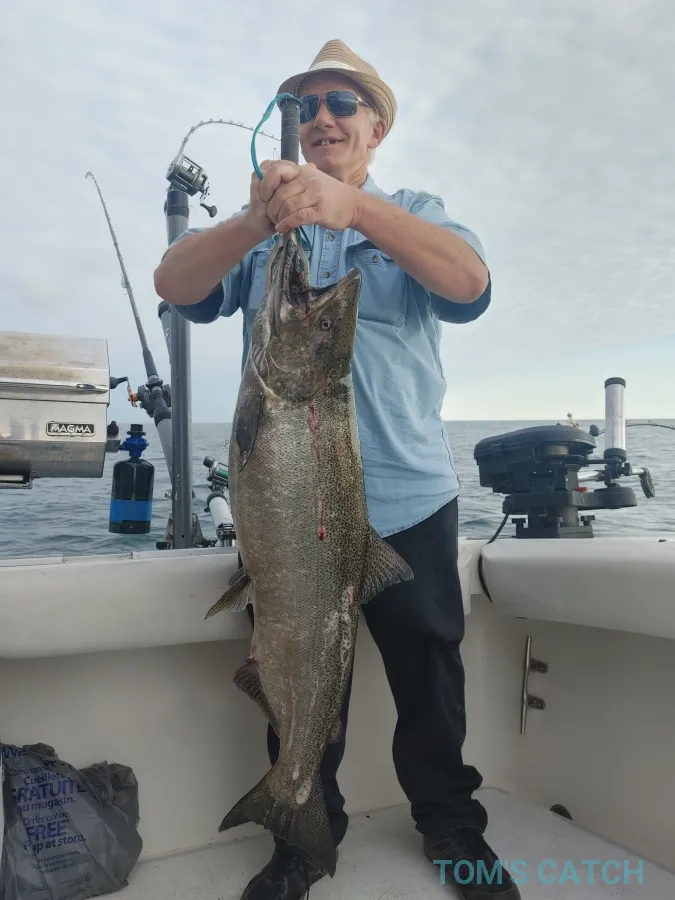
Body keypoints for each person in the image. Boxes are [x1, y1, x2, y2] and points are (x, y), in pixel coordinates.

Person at [154, 38, 520, 900]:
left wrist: (352, 209)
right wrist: (254, 223)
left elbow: (468, 284)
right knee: (293, 661)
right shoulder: (259, 232)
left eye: (341, 104)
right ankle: (301, 828)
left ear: (375, 128)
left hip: (407, 501)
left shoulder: (414, 214)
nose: (322, 118)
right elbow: (175, 284)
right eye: (306, 105)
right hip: (287, 512)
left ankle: (452, 825)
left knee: (429, 674)